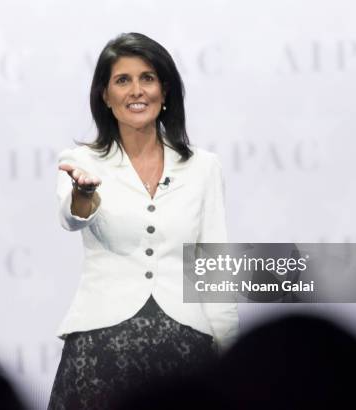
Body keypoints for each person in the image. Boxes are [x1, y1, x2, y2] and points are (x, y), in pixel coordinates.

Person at [48, 32, 239, 410]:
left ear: (164, 91)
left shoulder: (202, 167)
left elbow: (214, 268)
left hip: (185, 350)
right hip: (100, 349)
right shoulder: (81, 161)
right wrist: (84, 195)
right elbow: (73, 218)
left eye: (147, 78)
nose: (136, 91)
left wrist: (233, 363)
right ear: (105, 95)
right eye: (123, 80)